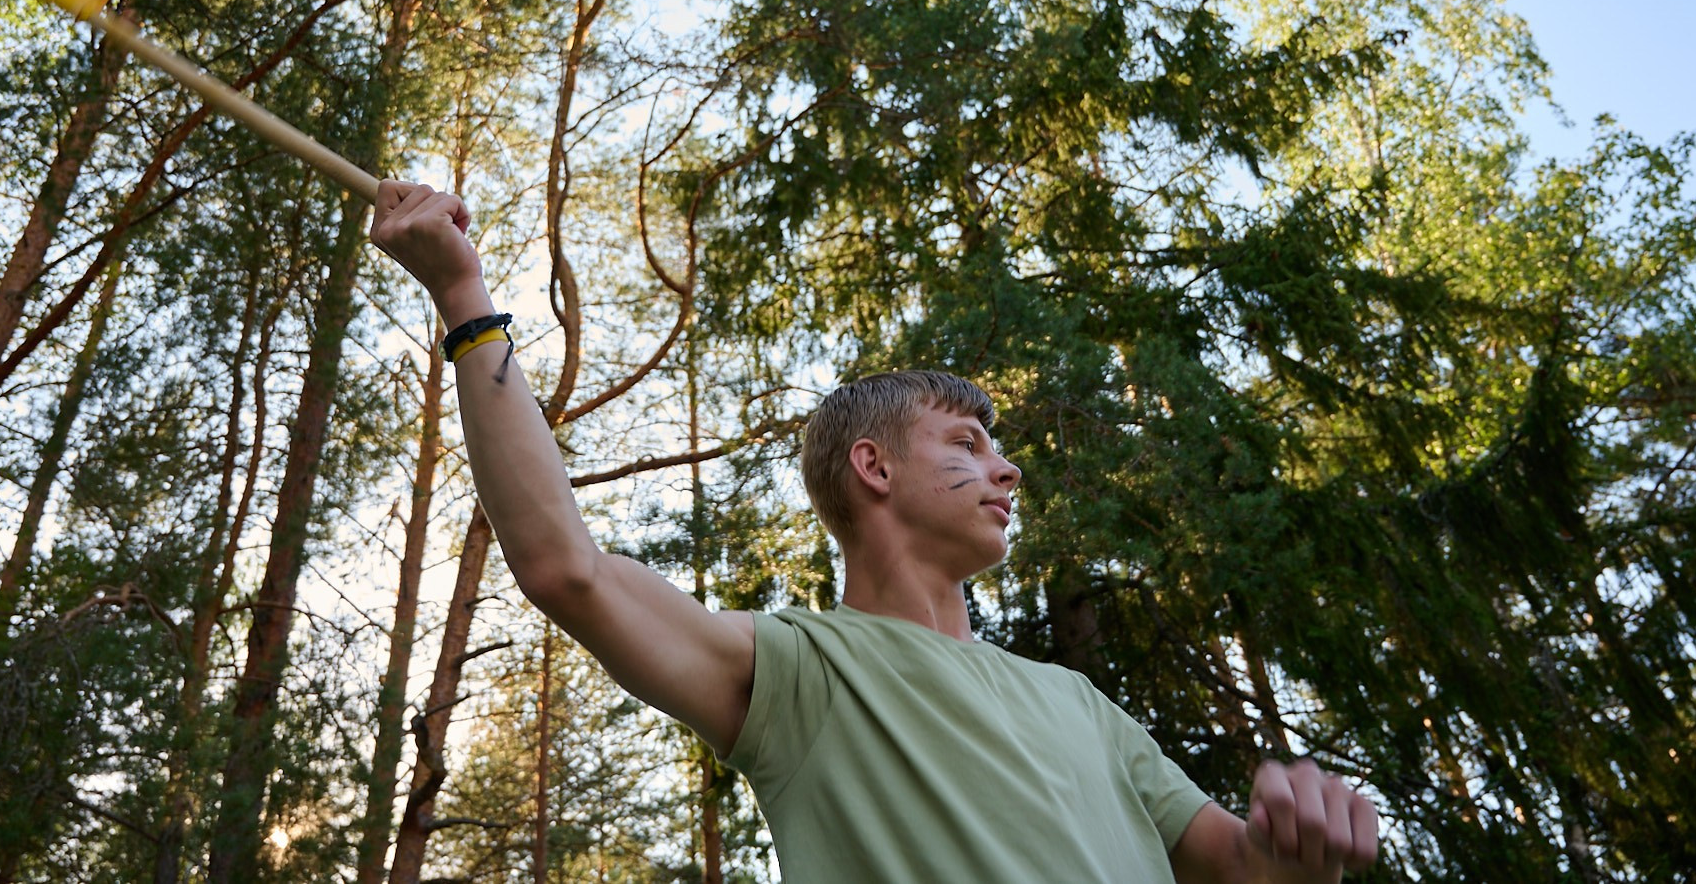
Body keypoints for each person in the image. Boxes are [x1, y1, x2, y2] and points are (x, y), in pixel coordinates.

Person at [371, 181, 1381, 882]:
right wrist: (465, 297)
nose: (1006, 466)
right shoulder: (804, 674)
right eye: (968, 441)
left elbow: (1237, 870)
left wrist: (1298, 850)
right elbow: (564, 567)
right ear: (874, 466)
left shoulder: (1081, 705)